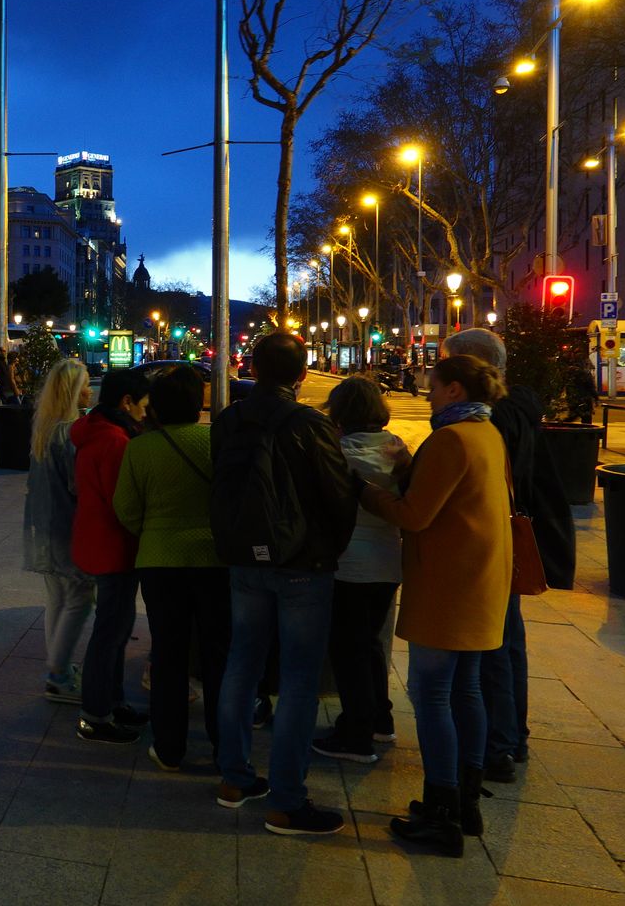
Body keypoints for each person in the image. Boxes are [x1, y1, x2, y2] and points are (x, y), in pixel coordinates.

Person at [361, 354, 512, 857]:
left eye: (433, 386)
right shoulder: (487, 434)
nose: (426, 393)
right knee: (466, 690)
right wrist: (411, 468)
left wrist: (368, 493)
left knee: (431, 694)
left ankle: (441, 808)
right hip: (480, 581)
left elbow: (416, 515)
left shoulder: (451, 439)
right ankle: (465, 803)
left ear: (453, 390)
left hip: (448, 586)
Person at [213, 332, 358, 836]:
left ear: (252, 366)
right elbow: (338, 497)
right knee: (298, 681)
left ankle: (233, 779)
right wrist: (326, 551)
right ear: (301, 375)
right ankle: (287, 801)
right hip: (302, 566)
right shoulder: (310, 424)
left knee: (241, 665)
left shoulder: (229, 419)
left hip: (242, 561)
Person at [440, 327, 571, 783]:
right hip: (508, 538)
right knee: (507, 642)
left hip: (492, 541)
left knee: (493, 645)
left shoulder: (494, 419)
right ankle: (512, 737)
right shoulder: (519, 408)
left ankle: (497, 746)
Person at [114, 364, 227, 771]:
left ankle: (169, 746)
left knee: (169, 654)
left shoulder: (140, 448)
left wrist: (155, 531)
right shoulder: (217, 441)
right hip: (215, 562)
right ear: (200, 404)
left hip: (160, 563)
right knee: (218, 654)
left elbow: (125, 509)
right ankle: (224, 743)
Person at [311, 376, 409, 764]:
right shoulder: (398, 450)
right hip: (387, 562)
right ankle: (379, 719)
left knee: (348, 649)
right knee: (368, 644)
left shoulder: (337, 453)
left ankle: (356, 734)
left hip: (349, 564)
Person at [72, 368, 152, 744]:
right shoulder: (117, 441)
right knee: (110, 633)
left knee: (115, 631)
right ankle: (95, 714)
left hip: (96, 540)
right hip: (115, 547)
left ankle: (112, 700)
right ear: (126, 402)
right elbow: (125, 503)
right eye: (143, 405)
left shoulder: (94, 432)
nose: (145, 413)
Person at [23, 358, 92, 704]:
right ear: (73, 391)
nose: (90, 391)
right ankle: (58, 673)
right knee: (80, 596)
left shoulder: (44, 428)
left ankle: (58, 666)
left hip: (46, 526)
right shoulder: (70, 432)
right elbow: (78, 486)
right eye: (85, 385)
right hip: (68, 526)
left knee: (56, 597)